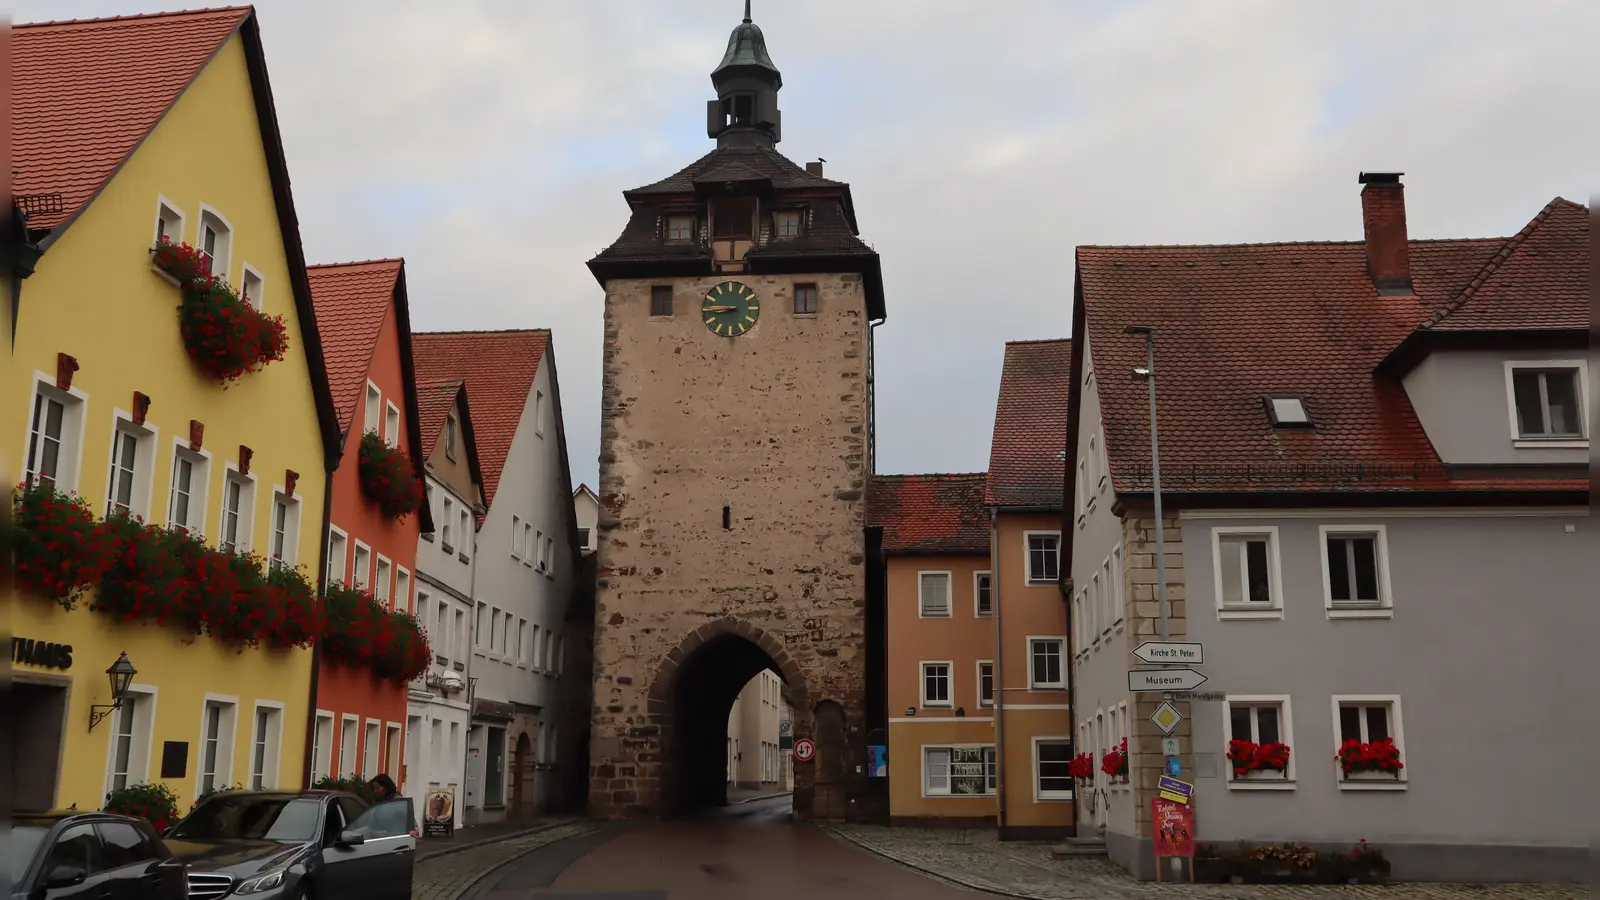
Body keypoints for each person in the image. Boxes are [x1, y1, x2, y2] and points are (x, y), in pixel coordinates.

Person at [367, 773, 419, 839]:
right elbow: (371, 826)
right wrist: (373, 833)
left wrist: (412, 831)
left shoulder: (398, 803)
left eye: (377, 788)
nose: (375, 791)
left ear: (386, 787)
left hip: (397, 842)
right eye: (373, 788)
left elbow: (413, 825)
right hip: (379, 842)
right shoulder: (377, 804)